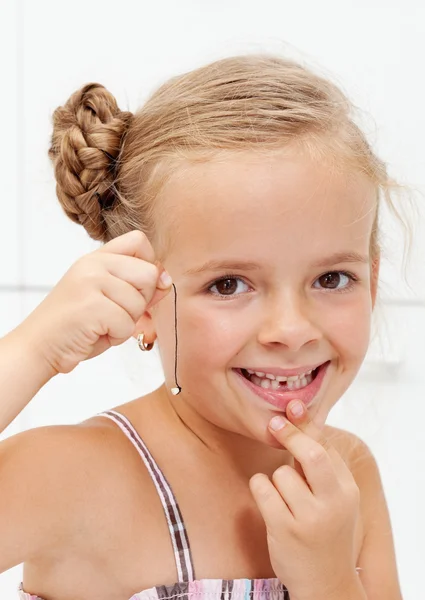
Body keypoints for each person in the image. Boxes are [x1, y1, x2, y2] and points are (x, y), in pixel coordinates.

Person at [0, 54, 404, 600]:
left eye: (332, 278)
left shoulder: (346, 475)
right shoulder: (73, 475)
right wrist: (32, 349)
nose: (291, 329)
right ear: (144, 299)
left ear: (373, 282)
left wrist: (331, 581)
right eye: (229, 285)